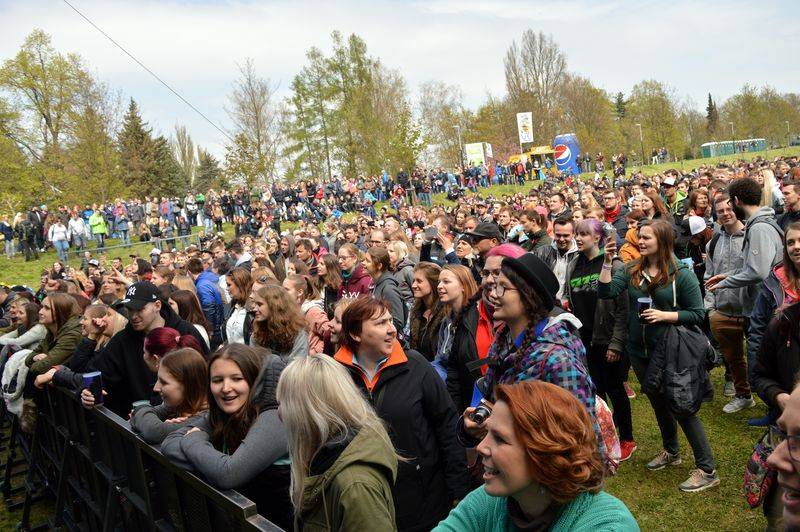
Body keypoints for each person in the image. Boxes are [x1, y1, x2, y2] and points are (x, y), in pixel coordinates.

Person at [599, 219, 719, 492]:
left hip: (672, 351)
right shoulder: (632, 268)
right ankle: (671, 451)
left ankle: (707, 469)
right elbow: (606, 291)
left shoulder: (681, 274)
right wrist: (607, 262)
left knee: (682, 406)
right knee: (657, 402)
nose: (640, 242)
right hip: (639, 351)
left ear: (662, 241)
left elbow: (698, 314)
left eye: (647, 238)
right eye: (639, 237)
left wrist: (666, 316)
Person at [334, 296, 469, 531]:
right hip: (366, 504)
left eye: (390, 321)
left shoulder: (416, 366)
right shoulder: (336, 375)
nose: (392, 330)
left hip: (424, 503)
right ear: (356, 334)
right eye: (380, 323)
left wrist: (459, 491)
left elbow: (448, 427)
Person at [435, 381, 639, 532]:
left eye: (500, 439)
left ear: (546, 451)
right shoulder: (489, 503)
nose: (481, 447)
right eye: (487, 433)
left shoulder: (608, 525)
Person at [161, 344, 292, 530]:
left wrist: (194, 441)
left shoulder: (276, 418)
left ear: (253, 381)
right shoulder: (222, 415)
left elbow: (228, 474)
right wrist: (212, 465)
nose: (225, 388)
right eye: (217, 380)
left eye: (237, 378)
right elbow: (169, 444)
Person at [276, 354, 398, 531]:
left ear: (311, 411)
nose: (279, 414)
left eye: (286, 403)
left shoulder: (355, 487)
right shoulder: (321, 456)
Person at [565, 219, 635, 461]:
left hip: (608, 338)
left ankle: (627, 438)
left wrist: (616, 343)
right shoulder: (574, 264)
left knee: (616, 389)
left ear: (597, 238)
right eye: (578, 233)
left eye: (584, 234)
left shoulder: (614, 265)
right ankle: (607, 434)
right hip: (585, 339)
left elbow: (623, 309)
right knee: (596, 389)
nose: (579, 238)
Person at [703, 194, 752, 412]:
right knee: (734, 359)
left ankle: (778, 401)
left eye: (728, 208)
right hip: (723, 310)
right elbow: (709, 276)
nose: (725, 213)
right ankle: (744, 395)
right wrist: (711, 309)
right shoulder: (713, 243)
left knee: (761, 357)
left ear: (737, 208)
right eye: (720, 210)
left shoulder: (752, 236)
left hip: (752, 309)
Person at [130, 347, 208, 443]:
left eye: (164, 382)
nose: (156, 388)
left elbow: (154, 431)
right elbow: (139, 411)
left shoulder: (206, 418)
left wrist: (160, 427)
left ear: (188, 385)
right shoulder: (177, 406)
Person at [435, 264, 480, 413]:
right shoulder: (446, 321)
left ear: (463, 286)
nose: (439, 286)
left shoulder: (475, 319)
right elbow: (440, 358)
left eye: (446, 282)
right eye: (439, 282)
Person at [250, 284, 309, 359]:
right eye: (255, 304)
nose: (254, 309)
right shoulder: (257, 336)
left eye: (259, 304)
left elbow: (296, 368)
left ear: (274, 306)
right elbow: (254, 366)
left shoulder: (298, 335)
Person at [363, 247, 406, 334]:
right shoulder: (375, 284)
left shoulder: (389, 289)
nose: (363, 263)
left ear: (379, 266)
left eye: (367, 261)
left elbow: (398, 322)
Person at [408, 262, 445, 361]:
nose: (413, 285)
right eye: (413, 281)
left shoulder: (445, 313)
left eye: (419, 281)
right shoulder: (416, 311)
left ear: (433, 283)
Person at [534, 217, 579, 300]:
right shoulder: (542, 252)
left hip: (569, 307)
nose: (561, 239)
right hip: (545, 303)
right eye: (558, 235)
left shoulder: (580, 256)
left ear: (574, 234)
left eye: (566, 235)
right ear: (553, 233)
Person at [283, 274, 327, 354]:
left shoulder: (313, 312)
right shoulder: (291, 309)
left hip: (310, 362)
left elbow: (329, 334)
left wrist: (314, 351)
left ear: (300, 292)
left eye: (286, 290)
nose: (283, 293)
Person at [186, 258, 223, 349]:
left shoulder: (202, 285)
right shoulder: (209, 278)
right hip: (218, 325)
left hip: (215, 329)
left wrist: (210, 329)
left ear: (189, 272)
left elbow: (209, 308)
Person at [224, 267, 253, 345]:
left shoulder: (253, 310)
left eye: (229, 285)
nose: (227, 289)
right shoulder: (231, 307)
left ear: (240, 285)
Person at [315, 253, 342, 318]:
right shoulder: (316, 284)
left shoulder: (338, 287)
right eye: (318, 263)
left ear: (330, 267)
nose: (317, 266)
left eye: (322, 264)